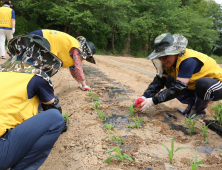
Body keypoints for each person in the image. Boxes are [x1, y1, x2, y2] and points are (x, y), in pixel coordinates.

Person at [0, 34, 68, 169]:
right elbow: (53, 109)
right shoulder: (38, 77)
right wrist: (64, 125)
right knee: (56, 119)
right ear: (43, 57)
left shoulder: (2, 71)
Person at [133, 33, 222, 120]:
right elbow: (159, 81)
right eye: (160, 56)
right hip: (195, 86)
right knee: (169, 80)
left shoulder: (188, 61)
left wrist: (153, 101)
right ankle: (191, 106)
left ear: (175, 52)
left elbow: (179, 87)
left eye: (165, 56)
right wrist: (145, 97)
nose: (162, 60)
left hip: (216, 85)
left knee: (203, 83)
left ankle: (199, 111)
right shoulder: (167, 63)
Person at [28, 29, 96, 91]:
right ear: (86, 53)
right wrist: (84, 85)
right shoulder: (77, 48)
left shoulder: (74, 47)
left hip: (39, 36)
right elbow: (78, 67)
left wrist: (79, 83)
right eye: (88, 57)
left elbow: (73, 70)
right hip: (41, 38)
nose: (86, 59)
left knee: (32, 67)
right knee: (33, 68)